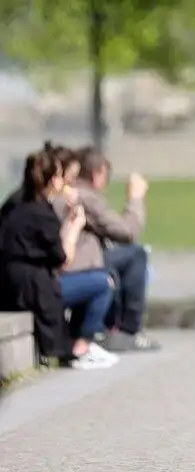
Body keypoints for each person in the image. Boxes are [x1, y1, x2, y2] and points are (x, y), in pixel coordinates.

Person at [0, 146, 118, 369]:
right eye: (64, 177)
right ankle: (81, 345)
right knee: (104, 282)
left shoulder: (16, 203)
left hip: (9, 285)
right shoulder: (43, 214)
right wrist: (75, 226)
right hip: (34, 289)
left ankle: (77, 341)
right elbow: (62, 259)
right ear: (54, 180)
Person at [64, 148, 160, 352]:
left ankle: (109, 327)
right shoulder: (85, 196)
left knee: (119, 259)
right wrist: (135, 198)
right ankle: (130, 331)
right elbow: (127, 232)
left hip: (72, 262)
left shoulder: (73, 193)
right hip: (77, 264)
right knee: (136, 254)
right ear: (97, 173)